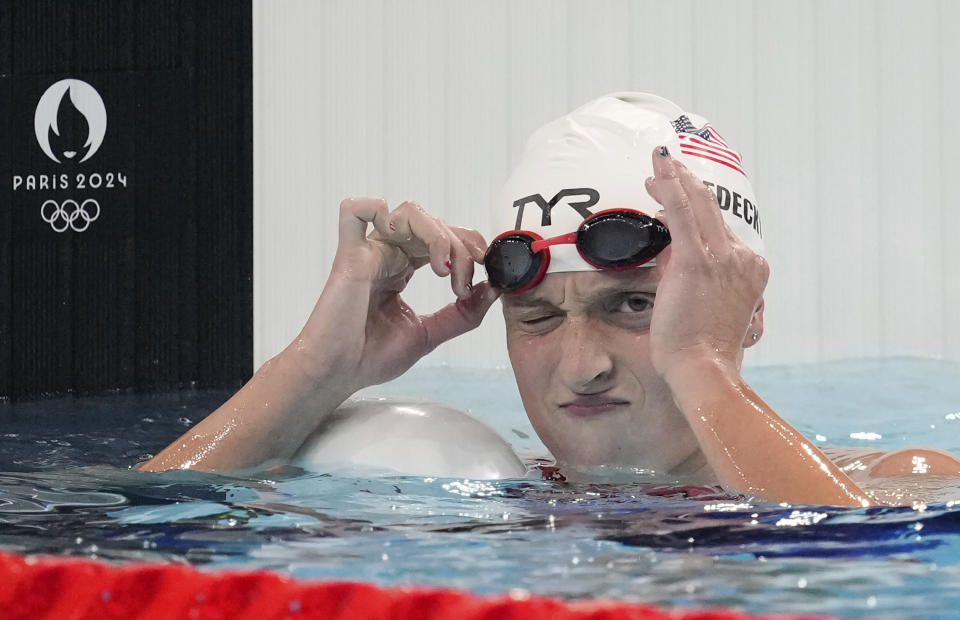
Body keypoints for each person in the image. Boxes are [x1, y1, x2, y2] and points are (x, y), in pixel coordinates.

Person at [141, 93, 960, 507]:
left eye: (636, 306)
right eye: (536, 318)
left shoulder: (910, 485)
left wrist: (704, 366)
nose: (583, 366)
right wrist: (315, 371)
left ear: (746, 309)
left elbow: (838, 567)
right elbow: (121, 546)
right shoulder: (485, 488)